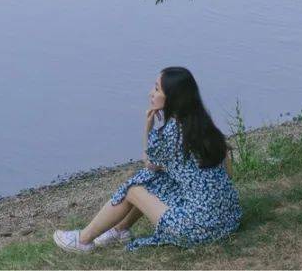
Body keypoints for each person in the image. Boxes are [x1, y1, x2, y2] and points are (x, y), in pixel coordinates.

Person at [53, 66, 241, 253]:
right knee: (159, 180)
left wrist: (148, 126)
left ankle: (83, 240)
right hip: (227, 219)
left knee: (134, 189)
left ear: (173, 97)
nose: (151, 93)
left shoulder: (173, 131)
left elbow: (149, 164)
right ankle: (120, 230)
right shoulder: (205, 126)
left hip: (196, 229)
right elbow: (229, 174)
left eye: (157, 89)